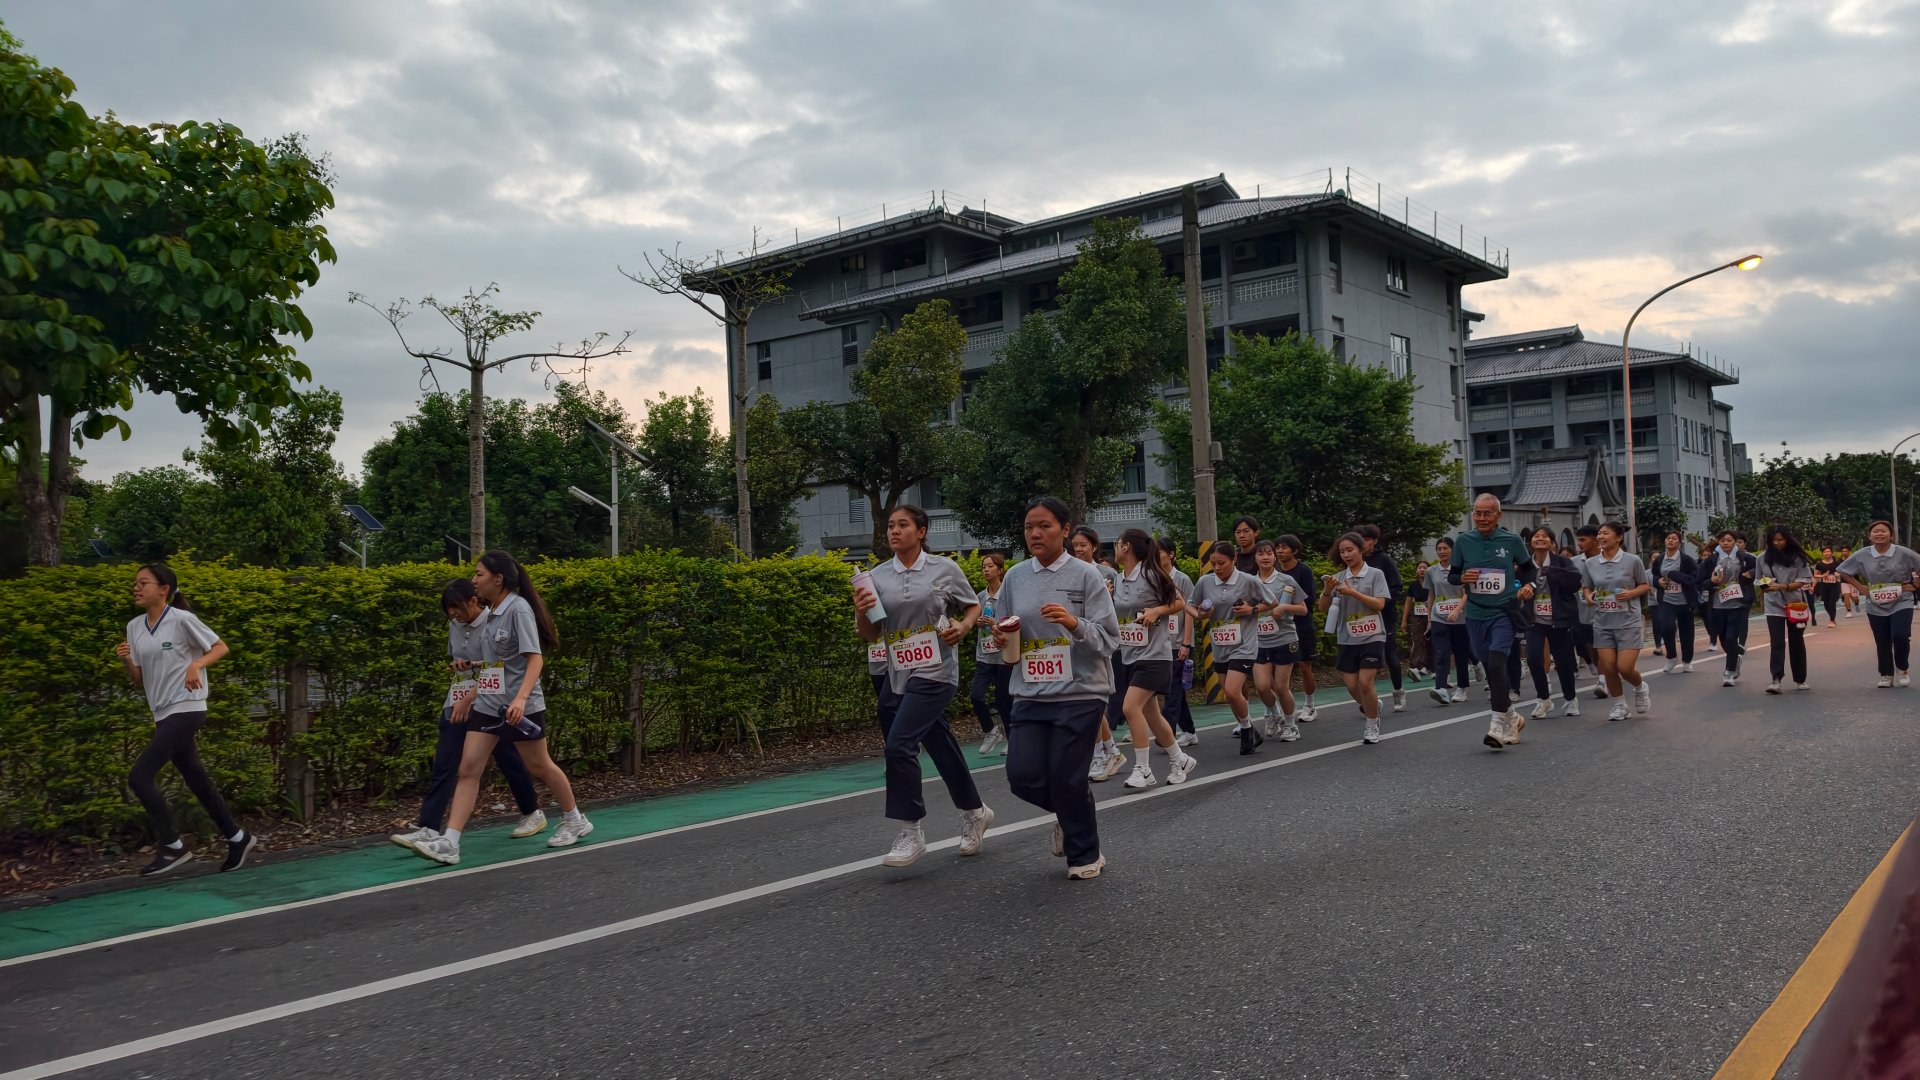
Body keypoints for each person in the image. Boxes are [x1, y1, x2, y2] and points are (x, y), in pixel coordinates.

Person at [412, 551, 592, 866]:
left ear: (498, 579)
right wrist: (471, 686)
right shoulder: (492, 612)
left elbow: (534, 658)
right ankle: (450, 842)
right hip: (488, 703)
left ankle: (575, 819)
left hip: (521, 705)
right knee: (468, 769)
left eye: (479, 574)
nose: (474, 580)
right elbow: (497, 664)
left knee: (539, 767)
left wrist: (521, 698)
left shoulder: (518, 610)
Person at [989, 496, 1121, 880]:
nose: (1035, 533)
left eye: (1044, 526)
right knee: (1022, 775)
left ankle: (1085, 854)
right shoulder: (1015, 576)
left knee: (1067, 776)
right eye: (1029, 526)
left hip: (1081, 690)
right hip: (1031, 690)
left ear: (1065, 530)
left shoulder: (1087, 576)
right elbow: (1009, 628)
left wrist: (1073, 622)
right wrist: (1002, 638)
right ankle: (1069, 813)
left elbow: (1110, 639)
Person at [854, 507, 994, 868]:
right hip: (898, 671)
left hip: (935, 671)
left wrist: (963, 628)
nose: (894, 531)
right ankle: (975, 811)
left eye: (903, 525)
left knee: (899, 744)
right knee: (939, 743)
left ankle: (910, 829)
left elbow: (973, 606)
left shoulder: (944, 569)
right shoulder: (877, 577)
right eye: (890, 526)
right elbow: (871, 633)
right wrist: (860, 610)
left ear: (921, 531)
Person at [114, 564, 258, 877]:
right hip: (162, 711)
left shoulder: (182, 620)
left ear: (163, 588)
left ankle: (173, 846)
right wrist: (127, 661)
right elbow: (139, 679)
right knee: (195, 776)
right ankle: (237, 837)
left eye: (143, 583)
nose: (136, 588)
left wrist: (196, 665)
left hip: (188, 706)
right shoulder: (134, 626)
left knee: (139, 776)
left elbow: (220, 647)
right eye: (135, 583)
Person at [390, 579, 546, 854]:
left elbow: (497, 668)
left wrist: (471, 697)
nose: (454, 616)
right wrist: (460, 671)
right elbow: (467, 663)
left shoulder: (495, 622)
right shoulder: (454, 626)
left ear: (473, 601)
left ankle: (534, 811)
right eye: (449, 612)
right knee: (447, 761)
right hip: (460, 698)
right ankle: (429, 827)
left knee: (510, 759)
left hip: (492, 701)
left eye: (457, 609)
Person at [1448, 495, 1539, 749]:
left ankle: (1496, 725)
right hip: (1476, 613)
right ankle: (1513, 717)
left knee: (1498, 664)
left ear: (1498, 516)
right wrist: (1463, 577)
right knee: (1490, 668)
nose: (1481, 518)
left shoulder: (1511, 541)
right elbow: (1454, 576)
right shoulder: (1464, 541)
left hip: (1504, 611)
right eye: (1477, 513)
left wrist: (1530, 585)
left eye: (1487, 513)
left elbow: (1529, 569)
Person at [1111, 529, 1201, 788]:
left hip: (1155, 655)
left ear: (1126, 547)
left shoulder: (1151, 575)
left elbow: (1180, 602)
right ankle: (1179, 759)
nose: (1115, 549)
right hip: (1130, 653)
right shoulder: (1118, 580)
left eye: (1117, 544)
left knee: (1130, 708)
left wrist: (1158, 610)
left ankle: (1143, 769)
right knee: (1151, 714)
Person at [1188, 541, 1271, 755]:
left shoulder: (1248, 581)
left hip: (1244, 644)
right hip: (1220, 645)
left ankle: (1246, 732)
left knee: (1233, 691)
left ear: (1233, 560)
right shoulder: (1205, 582)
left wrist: (1251, 609)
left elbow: (1271, 602)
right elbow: (1189, 604)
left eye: (1221, 563)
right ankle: (1250, 730)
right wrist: (1200, 614)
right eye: (1213, 564)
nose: (1217, 568)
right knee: (1229, 694)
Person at [1318, 533, 1390, 743]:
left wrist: (1352, 592)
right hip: (1347, 637)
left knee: (1365, 683)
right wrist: (1327, 590)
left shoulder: (1375, 574)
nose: (1346, 555)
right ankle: (1373, 705)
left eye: (1350, 550)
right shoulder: (1338, 577)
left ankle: (1371, 724)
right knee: (1351, 684)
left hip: (1372, 635)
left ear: (1361, 550)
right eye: (1342, 551)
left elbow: (1379, 605)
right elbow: (1322, 609)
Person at [1581, 522, 1654, 721]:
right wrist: (1589, 597)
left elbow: (1644, 586)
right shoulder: (1590, 563)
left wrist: (1630, 593)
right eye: (1599, 533)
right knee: (1609, 667)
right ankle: (1620, 705)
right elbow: (1587, 587)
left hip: (1628, 621)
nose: (1601, 536)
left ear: (1618, 537)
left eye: (1606, 533)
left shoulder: (1632, 560)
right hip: (1603, 622)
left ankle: (1640, 687)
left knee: (1624, 667)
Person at [1073, 525, 1128, 782]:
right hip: (1074, 643)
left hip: (1099, 641)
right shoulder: (1070, 573)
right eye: (1074, 547)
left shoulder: (1108, 573)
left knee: (1090, 702)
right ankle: (1110, 751)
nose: (1079, 550)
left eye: (1083, 545)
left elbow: (1121, 607)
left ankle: (1100, 753)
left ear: (1094, 546)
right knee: (1088, 703)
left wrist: (1109, 596)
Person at [1837, 521, 1920, 687]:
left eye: (1883, 531)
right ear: (1870, 536)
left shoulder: (1903, 553)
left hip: (1901, 599)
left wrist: (1915, 585)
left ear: (1891, 535)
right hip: (1875, 602)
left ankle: (1902, 668)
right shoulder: (1862, 554)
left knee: (1900, 635)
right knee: (1882, 640)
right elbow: (1842, 570)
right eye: (1875, 532)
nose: (1879, 534)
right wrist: (1860, 587)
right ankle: (1886, 675)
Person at [1251, 539, 1310, 741]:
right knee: (1261, 686)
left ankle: (1291, 725)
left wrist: (1285, 608)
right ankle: (1275, 715)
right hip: (1259, 640)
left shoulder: (1286, 580)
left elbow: (1303, 609)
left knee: (1281, 686)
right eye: (1261, 554)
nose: (1265, 557)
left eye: (1269, 553)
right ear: (1255, 557)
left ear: (1274, 557)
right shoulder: (1249, 582)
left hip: (1284, 638)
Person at [1523, 525, 1583, 719]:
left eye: (1545, 536)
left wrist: (1552, 572)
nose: (1540, 538)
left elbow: (1575, 583)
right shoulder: (1525, 566)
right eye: (1536, 536)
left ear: (1552, 542)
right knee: (1533, 657)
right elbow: (1515, 585)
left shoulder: (1562, 562)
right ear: (1530, 542)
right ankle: (1543, 700)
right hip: (1534, 619)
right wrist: (1521, 590)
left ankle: (1570, 698)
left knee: (1564, 661)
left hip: (1559, 619)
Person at [1756, 525, 1816, 693]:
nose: (1777, 543)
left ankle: (1800, 679)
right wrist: (1765, 586)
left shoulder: (1797, 558)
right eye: (1774, 540)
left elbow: (1804, 580)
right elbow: (1758, 579)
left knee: (1796, 641)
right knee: (1776, 642)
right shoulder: (1762, 558)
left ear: (1787, 539)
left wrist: (1783, 586)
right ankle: (1776, 679)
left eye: (1781, 540)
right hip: (1773, 605)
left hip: (1795, 604)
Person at [1358, 524, 1408, 712]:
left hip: (1383, 614)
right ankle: (1370, 696)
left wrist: (1380, 602)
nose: (1364, 544)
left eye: (1367, 539)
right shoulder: (1355, 561)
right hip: (1361, 617)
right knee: (1364, 657)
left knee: (1389, 654)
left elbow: (1396, 587)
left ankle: (1398, 691)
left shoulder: (1383, 560)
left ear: (1375, 541)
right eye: (1361, 539)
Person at [1156, 536, 1199, 746]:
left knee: (1172, 687)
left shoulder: (1181, 579)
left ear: (1171, 554)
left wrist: (1186, 643)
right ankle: (1189, 730)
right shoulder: (1153, 578)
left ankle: (1168, 733)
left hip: (1178, 642)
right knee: (1175, 689)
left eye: (1159, 552)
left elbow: (1189, 611)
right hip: (1160, 641)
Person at [970, 552, 1014, 756]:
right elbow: (972, 619)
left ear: (1000, 570)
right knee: (976, 696)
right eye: (983, 567)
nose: (986, 570)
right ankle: (990, 730)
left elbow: (1013, 622)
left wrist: (995, 624)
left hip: (1003, 656)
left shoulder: (1007, 595)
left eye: (990, 566)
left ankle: (1011, 738)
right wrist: (976, 622)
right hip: (984, 655)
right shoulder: (979, 597)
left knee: (1004, 701)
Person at [1274, 534, 1321, 721]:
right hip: (1279, 626)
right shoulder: (1275, 572)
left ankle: (1310, 704)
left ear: (1294, 550)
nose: (1280, 551)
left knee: (1304, 665)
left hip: (1302, 624)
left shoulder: (1304, 571)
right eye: (1277, 547)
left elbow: (1310, 600)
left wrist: (1288, 604)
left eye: (1284, 547)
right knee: (1279, 669)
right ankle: (1283, 707)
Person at [1704, 530, 1758, 687]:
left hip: (1738, 603)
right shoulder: (1712, 559)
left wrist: (1750, 573)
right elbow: (1700, 580)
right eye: (1722, 540)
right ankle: (1737, 654)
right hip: (1717, 604)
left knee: (1731, 637)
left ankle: (1729, 672)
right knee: (1723, 640)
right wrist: (1712, 581)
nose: (1726, 543)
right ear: (1719, 542)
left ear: (1735, 542)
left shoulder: (1745, 557)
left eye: (1729, 540)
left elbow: (1761, 569)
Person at [1423, 538, 1472, 705]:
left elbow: (1467, 593)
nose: (1442, 552)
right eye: (1439, 549)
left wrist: (1457, 610)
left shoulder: (1462, 570)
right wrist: (1429, 618)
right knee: (1441, 653)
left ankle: (1462, 689)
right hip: (1439, 618)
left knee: (1460, 654)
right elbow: (1431, 595)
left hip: (1460, 618)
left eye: (1445, 548)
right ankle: (1441, 689)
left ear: (1453, 550)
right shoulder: (1431, 571)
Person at [1650, 530, 1699, 673]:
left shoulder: (1687, 560)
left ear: (1679, 542)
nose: (1670, 540)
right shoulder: (1659, 559)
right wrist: (1659, 581)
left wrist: (1674, 575)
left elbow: (1692, 579)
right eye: (1668, 538)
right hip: (1666, 600)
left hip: (1685, 601)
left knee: (1687, 632)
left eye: (1674, 538)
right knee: (1666, 627)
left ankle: (1687, 660)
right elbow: (1654, 575)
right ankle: (1671, 657)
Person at [1573, 525, 1606, 690]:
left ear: (1595, 539)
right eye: (1578, 539)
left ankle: (1603, 680)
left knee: (1602, 645)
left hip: (1607, 612)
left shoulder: (1605, 558)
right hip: (1583, 611)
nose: (1579, 543)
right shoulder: (1574, 562)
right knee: (1590, 645)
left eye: (1583, 539)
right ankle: (1599, 669)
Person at [1402, 559, 1434, 681]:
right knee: (1418, 640)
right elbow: (1408, 602)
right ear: (1416, 570)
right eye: (1420, 567)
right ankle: (1415, 668)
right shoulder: (1413, 586)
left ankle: (1431, 667)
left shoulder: (1433, 584)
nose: (1422, 570)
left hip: (1431, 617)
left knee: (1431, 642)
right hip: (1417, 618)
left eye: (1425, 567)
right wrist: (1404, 620)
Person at [1697, 538, 1723, 654]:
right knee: (1707, 618)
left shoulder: (1720, 563)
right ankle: (1712, 638)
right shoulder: (1697, 565)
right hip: (1703, 596)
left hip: (1718, 594)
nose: (1706, 557)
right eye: (1704, 555)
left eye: (1708, 555)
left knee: (1715, 617)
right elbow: (1698, 581)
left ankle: (1715, 640)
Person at [1813, 546, 1843, 628]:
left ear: (1831, 553)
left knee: (1832, 602)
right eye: (1825, 552)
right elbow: (1815, 575)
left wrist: (1838, 574)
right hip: (1824, 585)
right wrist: (1822, 576)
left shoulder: (1836, 563)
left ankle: (1832, 620)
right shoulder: (1819, 564)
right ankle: (1832, 616)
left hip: (1835, 585)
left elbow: (1842, 572)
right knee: (1826, 603)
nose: (1827, 553)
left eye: (1828, 551)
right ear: (1823, 554)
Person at [1838, 545, 1860, 617]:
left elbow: (1858, 569)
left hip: (1854, 581)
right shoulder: (1839, 561)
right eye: (1843, 551)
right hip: (1844, 581)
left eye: (1846, 551)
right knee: (1846, 595)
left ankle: (1856, 603)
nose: (1844, 553)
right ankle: (1848, 612)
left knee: (1855, 598)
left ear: (1849, 552)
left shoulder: (1853, 559)